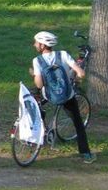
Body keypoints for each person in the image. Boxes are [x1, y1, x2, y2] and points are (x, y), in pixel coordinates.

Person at [31, 31, 94, 163]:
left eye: (36, 42)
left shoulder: (37, 61)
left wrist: (34, 74)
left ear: (42, 45)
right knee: (78, 123)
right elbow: (81, 73)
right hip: (67, 96)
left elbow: (39, 84)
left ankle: (41, 134)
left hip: (48, 96)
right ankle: (86, 154)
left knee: (35, 104)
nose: (34, 44)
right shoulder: (63, 55)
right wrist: (76, 78)